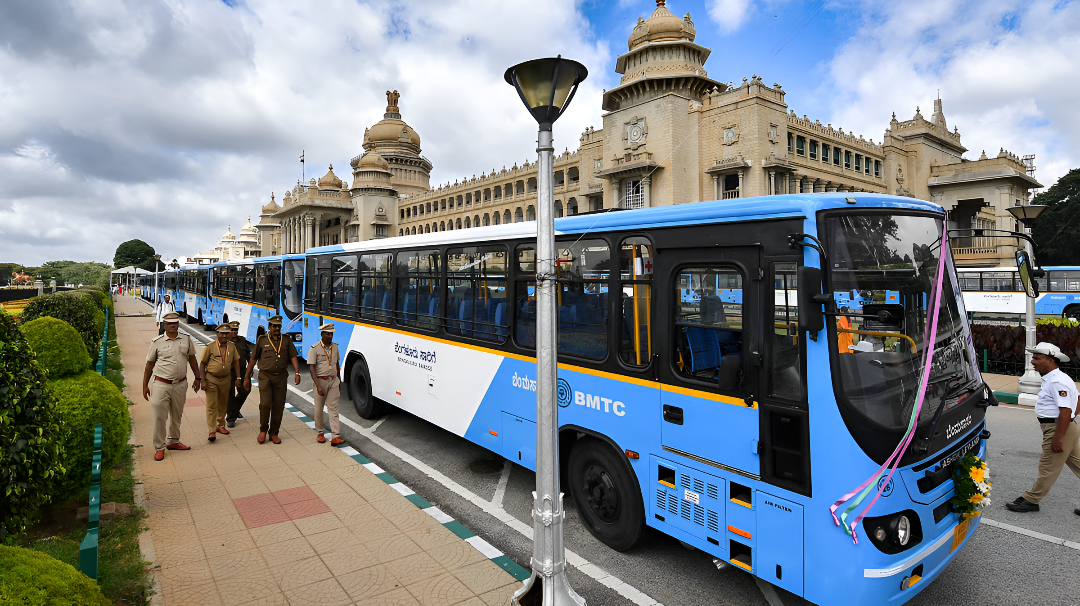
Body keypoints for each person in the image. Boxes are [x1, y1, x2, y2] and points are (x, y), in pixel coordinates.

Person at [1006, 342, 1080, 513]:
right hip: (1064, 427)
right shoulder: (1058, 378)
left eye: (1037, 358)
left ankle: (1031, 500)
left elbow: (1065, 409)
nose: (1032, 361)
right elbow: (1077, 399)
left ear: (1050, 360)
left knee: (1048, 466)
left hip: (1058, 428)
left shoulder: (1056, 381)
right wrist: (1070, 420)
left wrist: (1059, 436)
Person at [142, 312, 201, 461]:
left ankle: (174, 441)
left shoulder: (186, 340)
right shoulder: (157, 342)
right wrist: (145, 385)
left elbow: (192, 359)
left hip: (180, 384)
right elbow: (149, 365)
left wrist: (198, 377)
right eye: (170, 323)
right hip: (161, 385)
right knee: (159, 418)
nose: (173, 325)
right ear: (164, 325)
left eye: (176, 322)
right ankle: (159, 446)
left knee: (177, 415)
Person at [243, 316, 300, 444]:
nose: (277, 328)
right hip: (265, 376)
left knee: (279, 405)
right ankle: (263, 430)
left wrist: (297, 372)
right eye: (274, 326)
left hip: (281, 377)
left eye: (279, 326)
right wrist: (247, 377)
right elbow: (253, 358)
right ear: (269, 327)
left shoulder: (286, 340)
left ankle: (274, 432)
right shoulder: (262, 340)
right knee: (265, 403)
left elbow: (293, 356)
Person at [200, 324, 240, 443]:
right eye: (222, 333)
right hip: (211, 379)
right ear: (217, 334)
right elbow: (202, 363)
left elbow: (236, 362)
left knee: (223, 404)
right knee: (211, 405)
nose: (224, 336)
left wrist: (238, 377)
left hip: (226, 379)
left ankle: (220, 425)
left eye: (226, 333)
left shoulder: (232, 347)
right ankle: (212, 430)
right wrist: (202, 380)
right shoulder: (210, 347)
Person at [308, 324, 344, 445]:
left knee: (333, 408)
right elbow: (312, 368)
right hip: (321, 381)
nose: (330, 336)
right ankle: (320, 433)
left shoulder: (335, 347)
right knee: (319, 409)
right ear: (322, 334)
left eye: (331, 334)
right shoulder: (315, 348)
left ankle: (335, 436)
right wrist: (318, 386)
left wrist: (339, 381)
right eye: (328, 334)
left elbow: (336, 364)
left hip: (333, 380)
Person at [225, 320, 252, 428]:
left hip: (242, 370)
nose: (234, 332)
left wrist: (250, 368)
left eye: (236, 329)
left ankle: (234, 409)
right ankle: (231, 418)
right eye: (232, 330)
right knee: (230, 394)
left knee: (246, 390)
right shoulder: (225, 342)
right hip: (229, 372)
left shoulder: (242, 341)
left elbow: (248, 355)